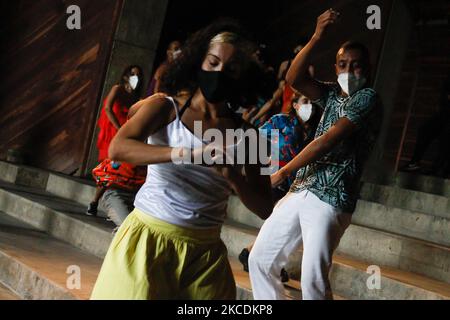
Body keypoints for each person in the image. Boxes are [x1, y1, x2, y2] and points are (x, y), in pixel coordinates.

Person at [90, 20, 273, 300]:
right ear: (199, 61)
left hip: (205, 254)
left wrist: (234, 178)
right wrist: (184, 153)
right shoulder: (166, 107)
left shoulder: (251, 136)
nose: (219, 72)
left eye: (231, 68)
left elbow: (265, 208)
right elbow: (119, 148)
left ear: (243, 75)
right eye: (213, 62)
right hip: (148, 239)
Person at [249, 9, 382, 300]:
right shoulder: (332, 93)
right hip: (301, 190)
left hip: (331, 199)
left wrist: (283, 172)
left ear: (368, 69)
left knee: (313, 281)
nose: (349, 71)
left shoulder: (367, 99)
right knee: (259, 260)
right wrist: (317, 36)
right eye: (343, 65)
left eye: (356, 66)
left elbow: (326, 142)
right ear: (335, 68)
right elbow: (293, 77)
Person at [238, 93, 322, 280]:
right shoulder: (281, 121)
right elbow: (254, 138)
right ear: (294, 104)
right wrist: (258, 165)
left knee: (286, 227)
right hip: (274, 180)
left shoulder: (314, 131)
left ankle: (253, 254)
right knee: (279, 225)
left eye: (313, 103)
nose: (310, 106)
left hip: (296, 186)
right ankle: (262, 259)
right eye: (305, 101)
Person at [87, 65, 143, 216]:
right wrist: (118, 128)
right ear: (126, 75)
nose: (135, 77)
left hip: (124, 135)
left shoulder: (136, 96)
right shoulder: (117, 89)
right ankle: (94, 201)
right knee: (108, 167)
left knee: (115, 169)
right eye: (132, 74)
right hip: (112, 132)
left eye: (138, 75)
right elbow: (107, 108)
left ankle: (98, 202)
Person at [402, 73, 450, 177]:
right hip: (445, 114)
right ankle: (415, 163)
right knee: (425, 130)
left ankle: (438, 170)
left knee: (446, 137)